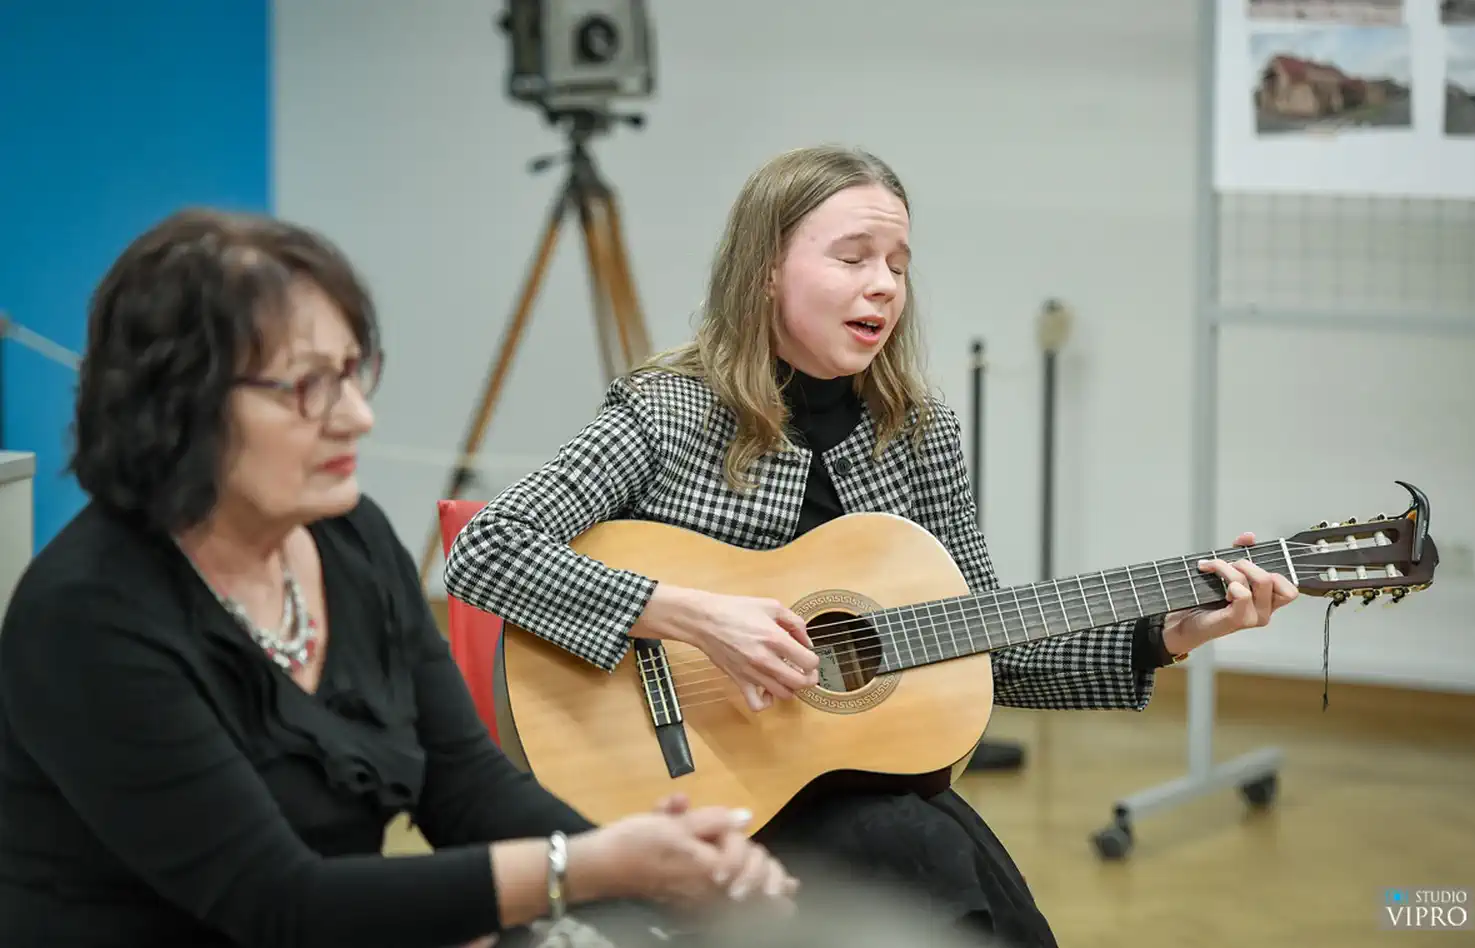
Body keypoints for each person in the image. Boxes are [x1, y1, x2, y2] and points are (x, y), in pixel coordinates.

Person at [442, 145, 1300, 948]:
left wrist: (1165, 633)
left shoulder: (918, 432)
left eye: (897, 265)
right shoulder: (668, 411)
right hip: (692, 789)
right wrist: (696, 618)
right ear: (766, 268)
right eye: (853, 258)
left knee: (998, 914)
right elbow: (488, 549)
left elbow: (984, 650)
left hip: (841, 783)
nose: (883, 287)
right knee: (928, 869)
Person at [0, 209, 800, 948]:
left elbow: (466, 791)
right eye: (307, 385)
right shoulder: (87, 616)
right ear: (177, 404)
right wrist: (593, 870)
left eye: (354, 372)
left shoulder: (350, 541)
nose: (357, 415)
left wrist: (673, 875)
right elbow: (282, 904)